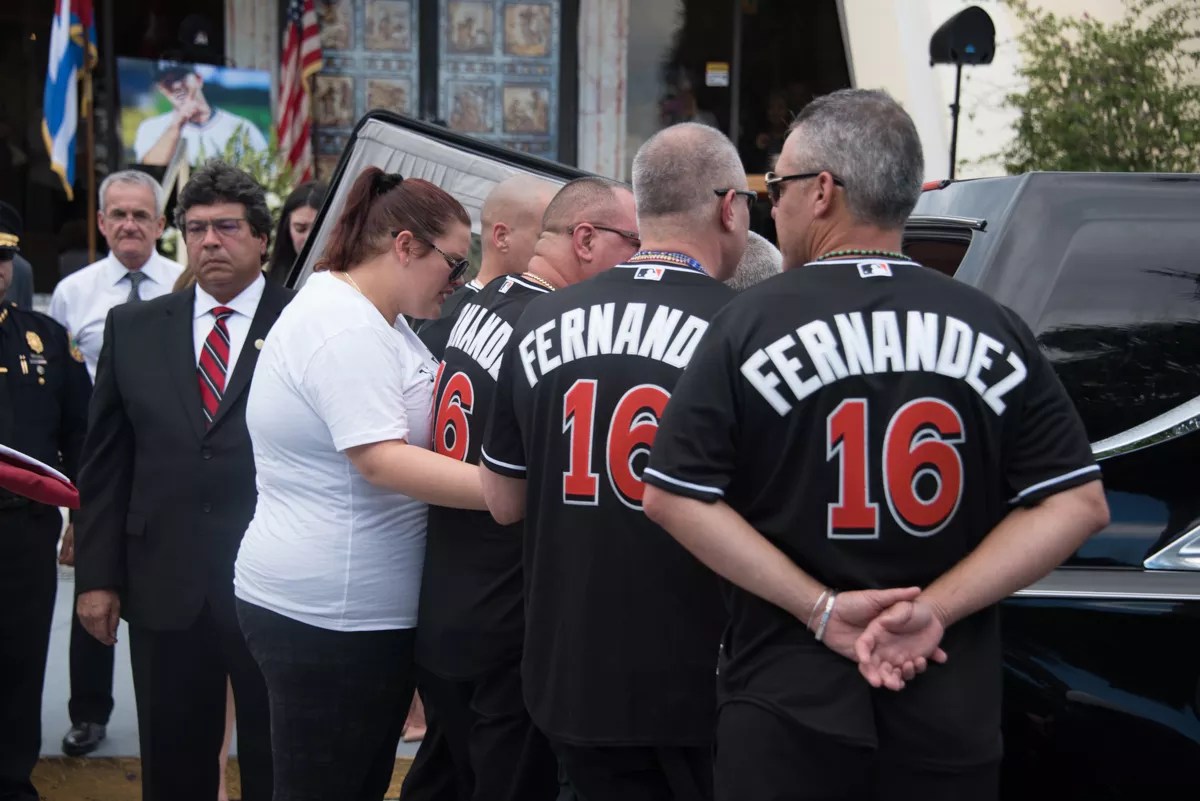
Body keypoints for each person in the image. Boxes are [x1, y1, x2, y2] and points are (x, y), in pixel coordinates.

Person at [641, 89, 1110, 801]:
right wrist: (935, 610)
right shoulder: (994, 324)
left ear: (822, 191)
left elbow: (672, 494)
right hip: (944, 713)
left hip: (784, 711)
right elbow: (1077, 502)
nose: (773, 206)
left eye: (778, 186)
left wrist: (820, 608)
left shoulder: (747, 324)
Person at [479, 122, 750, 801]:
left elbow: (503, 502)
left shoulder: (538, 319)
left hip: (570, 673)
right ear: (728, 208)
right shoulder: (745, 324)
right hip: (699, 678)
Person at [233, 167, 488, 801]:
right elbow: (379, 458)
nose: (458, 282)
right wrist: (509, 491)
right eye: (454, 264)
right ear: (405, 246)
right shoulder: (344, 325)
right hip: (334, 613)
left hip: (346, 608)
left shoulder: (367, 313)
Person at [409, 176, 638, 801]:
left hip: (448, 598)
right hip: (505, 615)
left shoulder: (486, 298)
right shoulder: (552, 326)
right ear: (584, 240)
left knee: (443, 779)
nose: (640, 259)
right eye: (633, 242)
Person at [74, 160, 290, 801]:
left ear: (262, 237)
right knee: (172, 764)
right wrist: (97, 578)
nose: (209, 241)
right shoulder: (134, 327)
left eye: (227, 227)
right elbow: (106, 462)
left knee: (278, 760)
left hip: (274, 584)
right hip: (164, 581)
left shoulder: (302, 322)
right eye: (196, 229)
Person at [400, 172, 558, 801]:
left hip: (448, 593)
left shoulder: (458, 317)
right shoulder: (530, 322)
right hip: (494, 599)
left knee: (446, 769)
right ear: (502, 234)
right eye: (549, 231)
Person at [47, 170, 183, 758]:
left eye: (141, 215)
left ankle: (180, 711)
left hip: (166, 463)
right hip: (97, 464)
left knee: (172, 591)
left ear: (160, 224)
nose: (130, 224)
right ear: (101, 223)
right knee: (94, 582)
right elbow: (59, 394)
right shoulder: (72, 292)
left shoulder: (183, 285)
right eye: (119, 214)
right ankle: (88, 713)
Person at [0, 205, 91, 801]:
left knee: (19, 659)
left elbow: (81, 436)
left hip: (22, 532)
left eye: (3, 258)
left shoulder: (47, 340)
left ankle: (11, 780)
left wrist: (81, 518)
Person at [416, 173, 559, 359]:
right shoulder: (449, 319)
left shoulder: (539, 313)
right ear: (502, 237)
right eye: (543, 237)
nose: (554, 249)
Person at [134, 62, 269, 166]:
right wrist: (177, 124)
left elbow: (267, 173)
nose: (176, 86)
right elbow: (149, 171)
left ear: (198, 79)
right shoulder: (151, 127)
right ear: (162, 90)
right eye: (167, 82)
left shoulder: (241, 126)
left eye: (180, 77)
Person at [265, 181, 328, 286]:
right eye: (300, 228)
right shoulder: (268, 283)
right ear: (287, 229)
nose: (308, 238)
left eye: (317, 229)